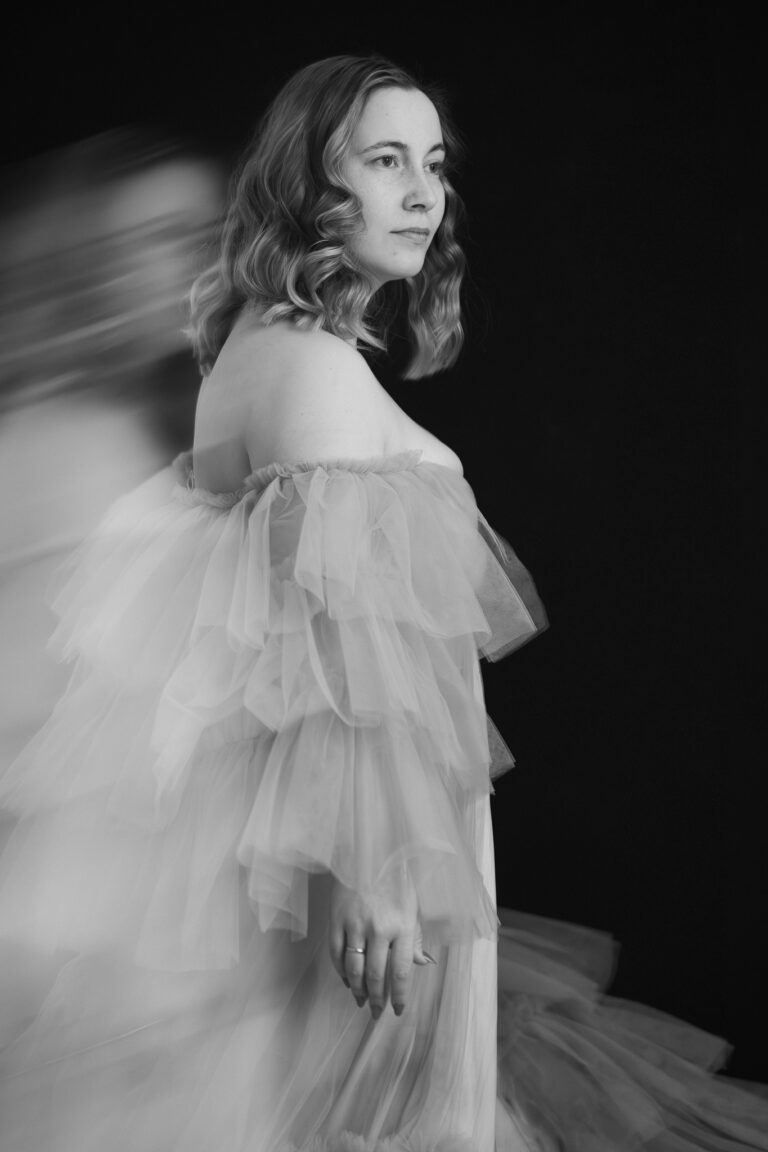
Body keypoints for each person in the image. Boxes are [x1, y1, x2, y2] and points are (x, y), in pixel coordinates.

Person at [0, 53, 766, 1152]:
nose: (421, 194)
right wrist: (385, 877)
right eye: (385, 161)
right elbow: (338, 653)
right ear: (311, 183)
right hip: (363, 859)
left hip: (340, 847)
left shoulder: (267, 345)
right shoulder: (307, 370)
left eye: (434, 165)